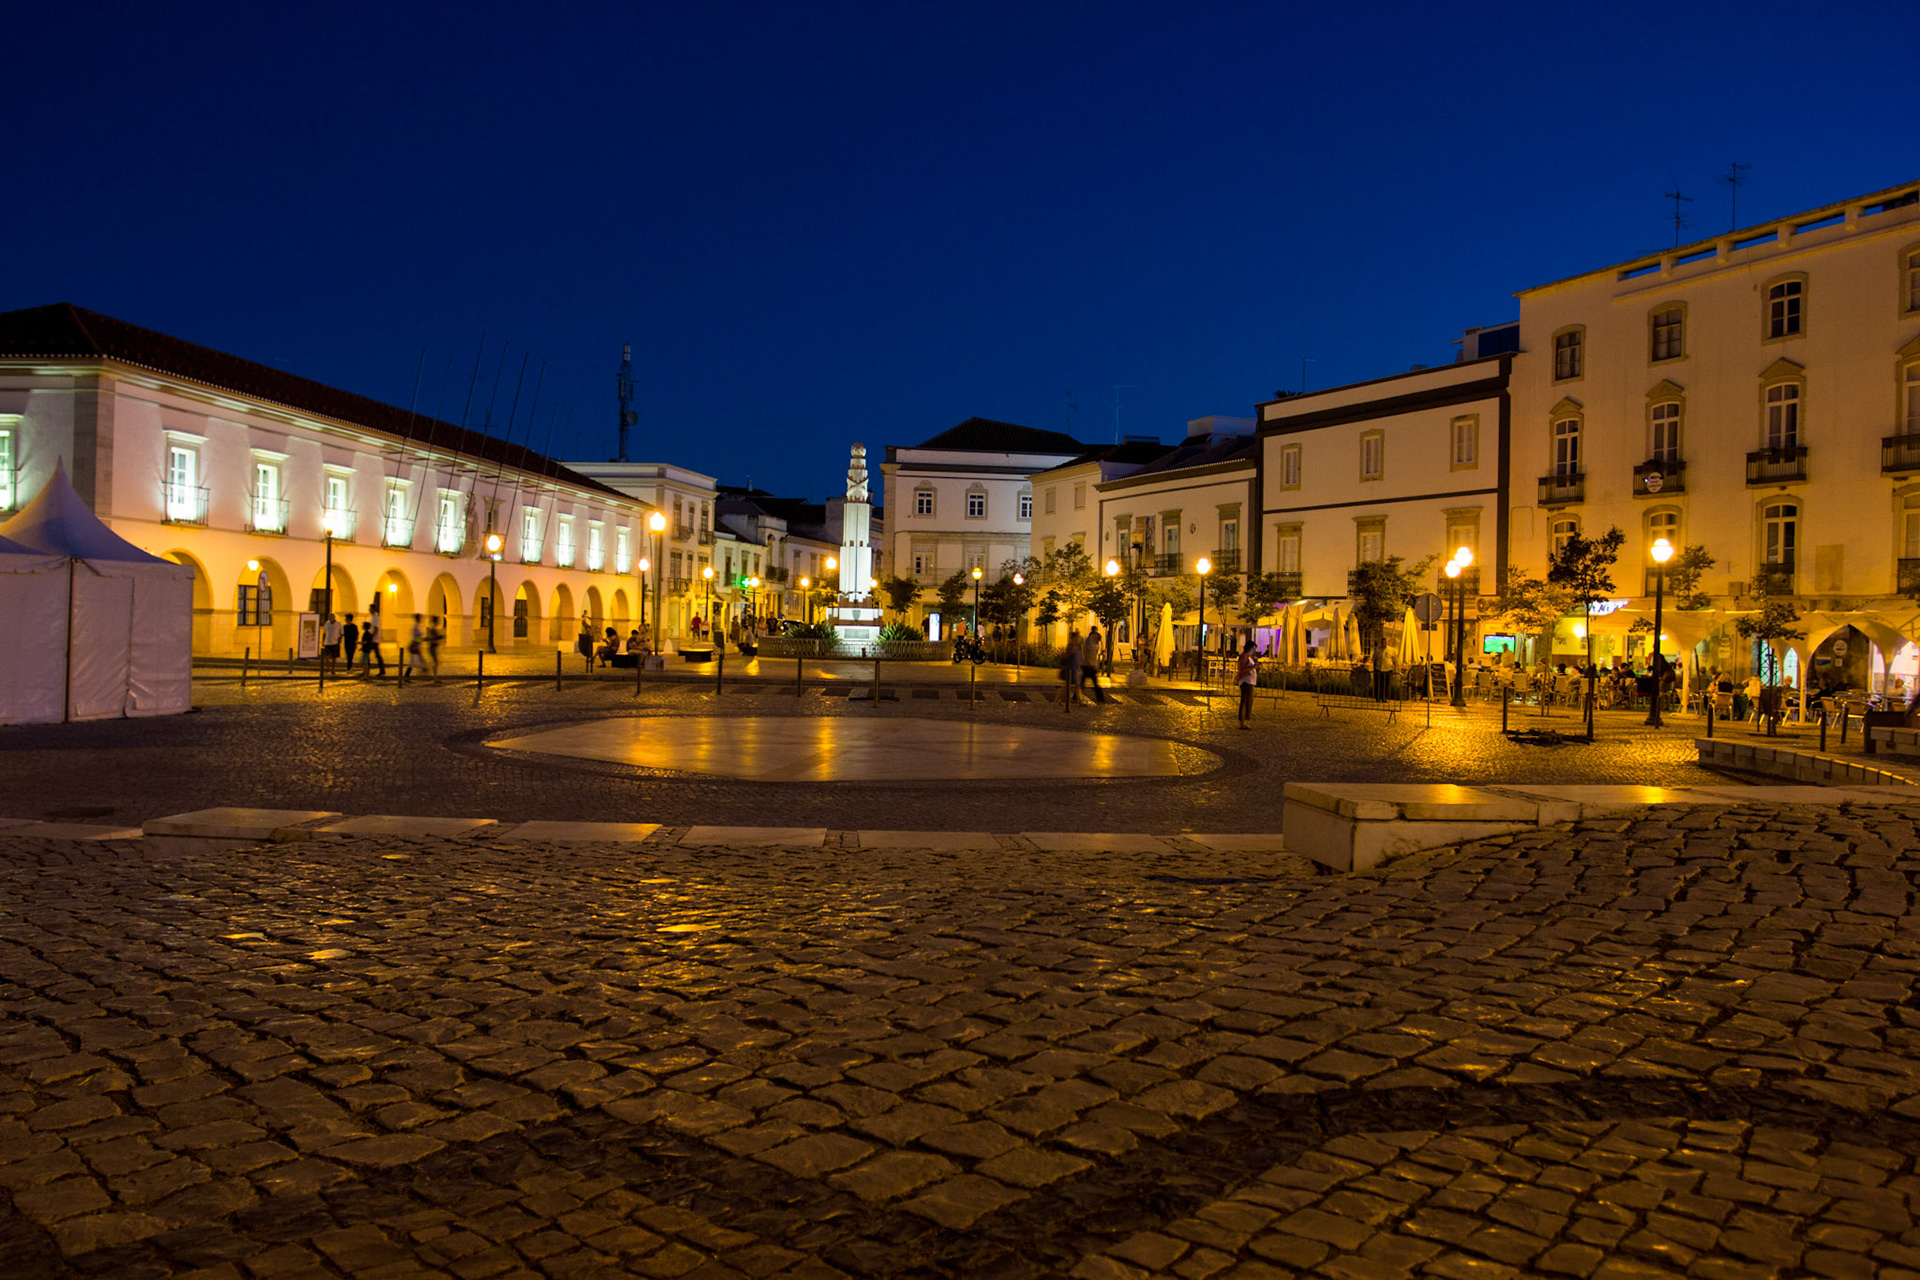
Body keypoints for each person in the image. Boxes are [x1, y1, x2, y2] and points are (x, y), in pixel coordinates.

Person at [1236, 638, 1258, 728]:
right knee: (1245, 701)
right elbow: (1242, 669)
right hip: (1246, 681)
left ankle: (1245, 721)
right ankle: (1242, 722)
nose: (1254, 651)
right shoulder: (1243, 657)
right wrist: (1253, 667)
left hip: (1250, 681)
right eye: (1253, 649)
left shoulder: (1248, 657)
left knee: (1249, 701)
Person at [1081, 628, 1107, 704]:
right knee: (1094, 683)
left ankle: (1076, 695)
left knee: (1083, 682)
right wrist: (1092, 664)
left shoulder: (1090, 641)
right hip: (1088, 665)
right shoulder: (1090, 642)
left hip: (1087, 664)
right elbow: (1090, 654)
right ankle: (1100, 696)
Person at [1060, 628, 1082, 712]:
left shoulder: (1077, 646)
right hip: (1070, 668)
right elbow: (1065, 656)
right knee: (1067, 686)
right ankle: (1059, 700)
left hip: (1076, 668)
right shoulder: (1070, 646)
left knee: (1077, 685)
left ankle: (1080, 701)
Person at [405, 614, 425, 685]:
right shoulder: (415, 627)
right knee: (414, 661)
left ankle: (407, 677)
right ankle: (407, 677)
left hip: (416, 645)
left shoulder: (417, 627)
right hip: (414, 646)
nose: (421, 620)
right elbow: (416, 638)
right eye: (420, 619)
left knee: (413, 662)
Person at [320, 612, 342, 677]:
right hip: (327, 642)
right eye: (329, 617)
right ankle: (327, 668)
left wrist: (340, 639)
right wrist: (323, 641)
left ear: (334, 617)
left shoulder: (338, 624)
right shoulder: (326, 624)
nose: (330, 618)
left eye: (331, 617)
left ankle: (333, 669)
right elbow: (324, 633)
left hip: (335, 642)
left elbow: (341, 633)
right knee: (326, 656)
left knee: (334, 657)